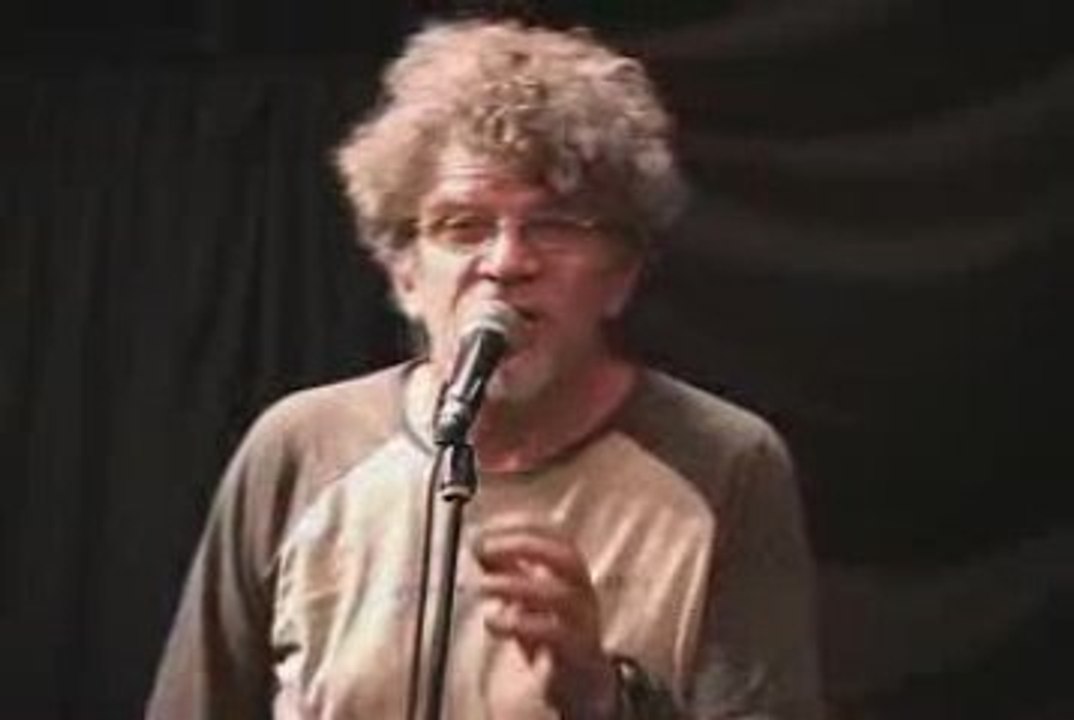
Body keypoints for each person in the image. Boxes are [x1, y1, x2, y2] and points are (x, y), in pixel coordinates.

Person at [147, 18, 822, 720]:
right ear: (406, 274)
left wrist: (605, 699)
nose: (506, 262)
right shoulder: (300, 447)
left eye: (555, 226)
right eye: (462, 227)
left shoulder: (723, 462)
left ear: (621, 275)